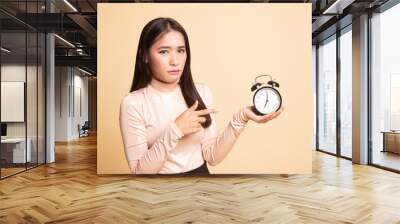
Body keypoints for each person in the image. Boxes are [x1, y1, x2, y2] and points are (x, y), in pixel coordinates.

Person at [119, 17, 284, 175]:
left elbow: (212, 156)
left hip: (201, 184)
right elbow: (139, 172)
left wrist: (241, 118)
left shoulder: (201, 92)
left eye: (181, 50)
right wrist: (175, 130)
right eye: (163, 52)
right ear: (145, 55)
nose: (175, 61)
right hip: (158, 192)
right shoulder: (133, 102)